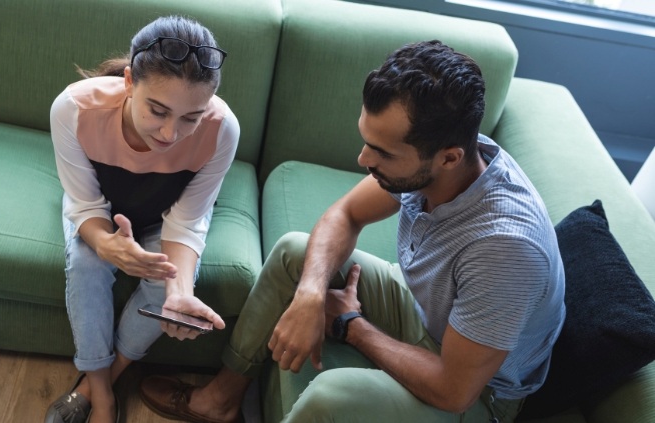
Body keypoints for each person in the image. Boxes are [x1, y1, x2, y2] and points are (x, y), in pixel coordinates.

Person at [140, 40, 565, 423]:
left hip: (477, 396)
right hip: (423, 312)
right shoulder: (455, 158)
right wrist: (310, 297)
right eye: (367, 140)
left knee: (332, 393)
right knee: (295, 251)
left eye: (382, 152)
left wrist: (351, 324)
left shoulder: (505, 250)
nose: (363, 158)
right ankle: (221, 400)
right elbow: (345, 214)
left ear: (448, 159)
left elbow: (454, 391)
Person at [44, 16, 239, 423]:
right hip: (102, 210)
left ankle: (100, 380)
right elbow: (84, 205)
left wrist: (179, 290)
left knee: (165, 290)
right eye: (158, 110)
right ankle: (102, 398)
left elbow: (186, 223)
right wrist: (104, 243)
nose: (170, 133)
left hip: (168, 219)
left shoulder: (222, 130)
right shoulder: (74, 109)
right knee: (85, 264)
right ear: (130, 82)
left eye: (191, 117)